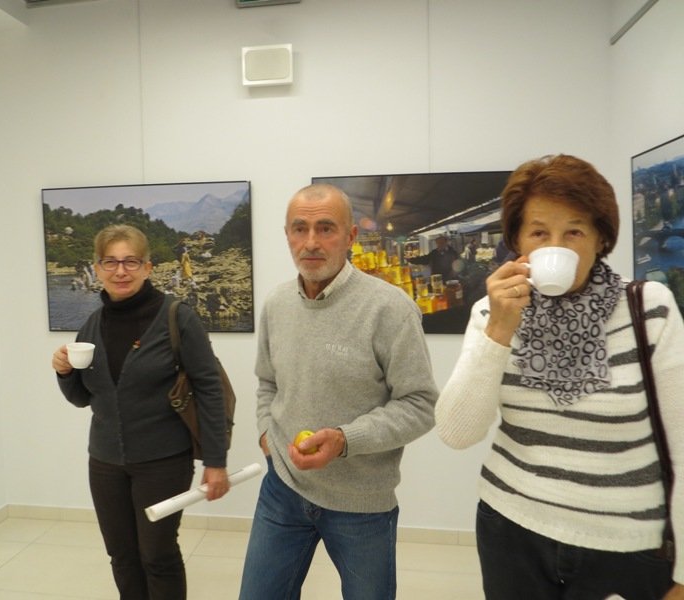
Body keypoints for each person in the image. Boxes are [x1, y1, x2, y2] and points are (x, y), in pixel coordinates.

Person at [434, 154, 684, 600]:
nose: (557, 246)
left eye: (574, 231)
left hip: (626, 545)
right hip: (511, 528)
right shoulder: (492, 312)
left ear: (600, 238)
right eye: (539, 233)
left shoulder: (650, 308)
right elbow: (457, 432)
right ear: (518, 241)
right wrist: (499, 330)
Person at [238, 183, 438, 600]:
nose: (311, 241)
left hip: (361, 502)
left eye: (326, 228)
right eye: (300, 228)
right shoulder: (277, 305)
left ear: (351, 237)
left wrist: (346, 440)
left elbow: (420, 405)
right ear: (288, 235)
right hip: (283, 488)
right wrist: (266, 435)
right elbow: (267, 382)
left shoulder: (390, 308)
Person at [51, 224, 229, 600]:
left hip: (164, 461)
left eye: (131, 261)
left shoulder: (177, 317)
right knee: (121, 556)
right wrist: (64, 373)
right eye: (110, 262)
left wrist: (216, 461)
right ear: (97, 269)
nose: (121, 271)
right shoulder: (92, 326)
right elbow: (82, 398)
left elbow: (210, 390)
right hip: (105, 463)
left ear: (148, 267)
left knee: (157, 555)